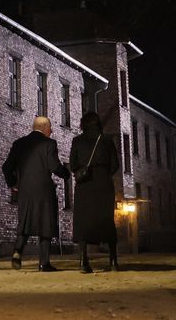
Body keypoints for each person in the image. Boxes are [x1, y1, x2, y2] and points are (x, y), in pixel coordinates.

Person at [1, 116, 70, 271]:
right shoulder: (49, 143)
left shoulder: (19, 144)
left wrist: (13, 183)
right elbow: (54, 166)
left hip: (25, 190)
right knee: (46, 223)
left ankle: (17, 252)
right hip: (44, 189)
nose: (51, 131)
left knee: (24, 222)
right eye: (50, 128)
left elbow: (6, 167)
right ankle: (43, 263)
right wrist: (66, 173)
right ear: (44, 127)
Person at [69, 111, 120, 273]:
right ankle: (113, 262)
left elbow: (72, 164)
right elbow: (115, 165)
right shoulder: (106, 140)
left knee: (84, 221)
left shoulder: (77, 141)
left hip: (85, 186)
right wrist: (104, 174)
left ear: (83, 124)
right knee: (107, 220)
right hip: (103, 184)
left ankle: (84, 261)